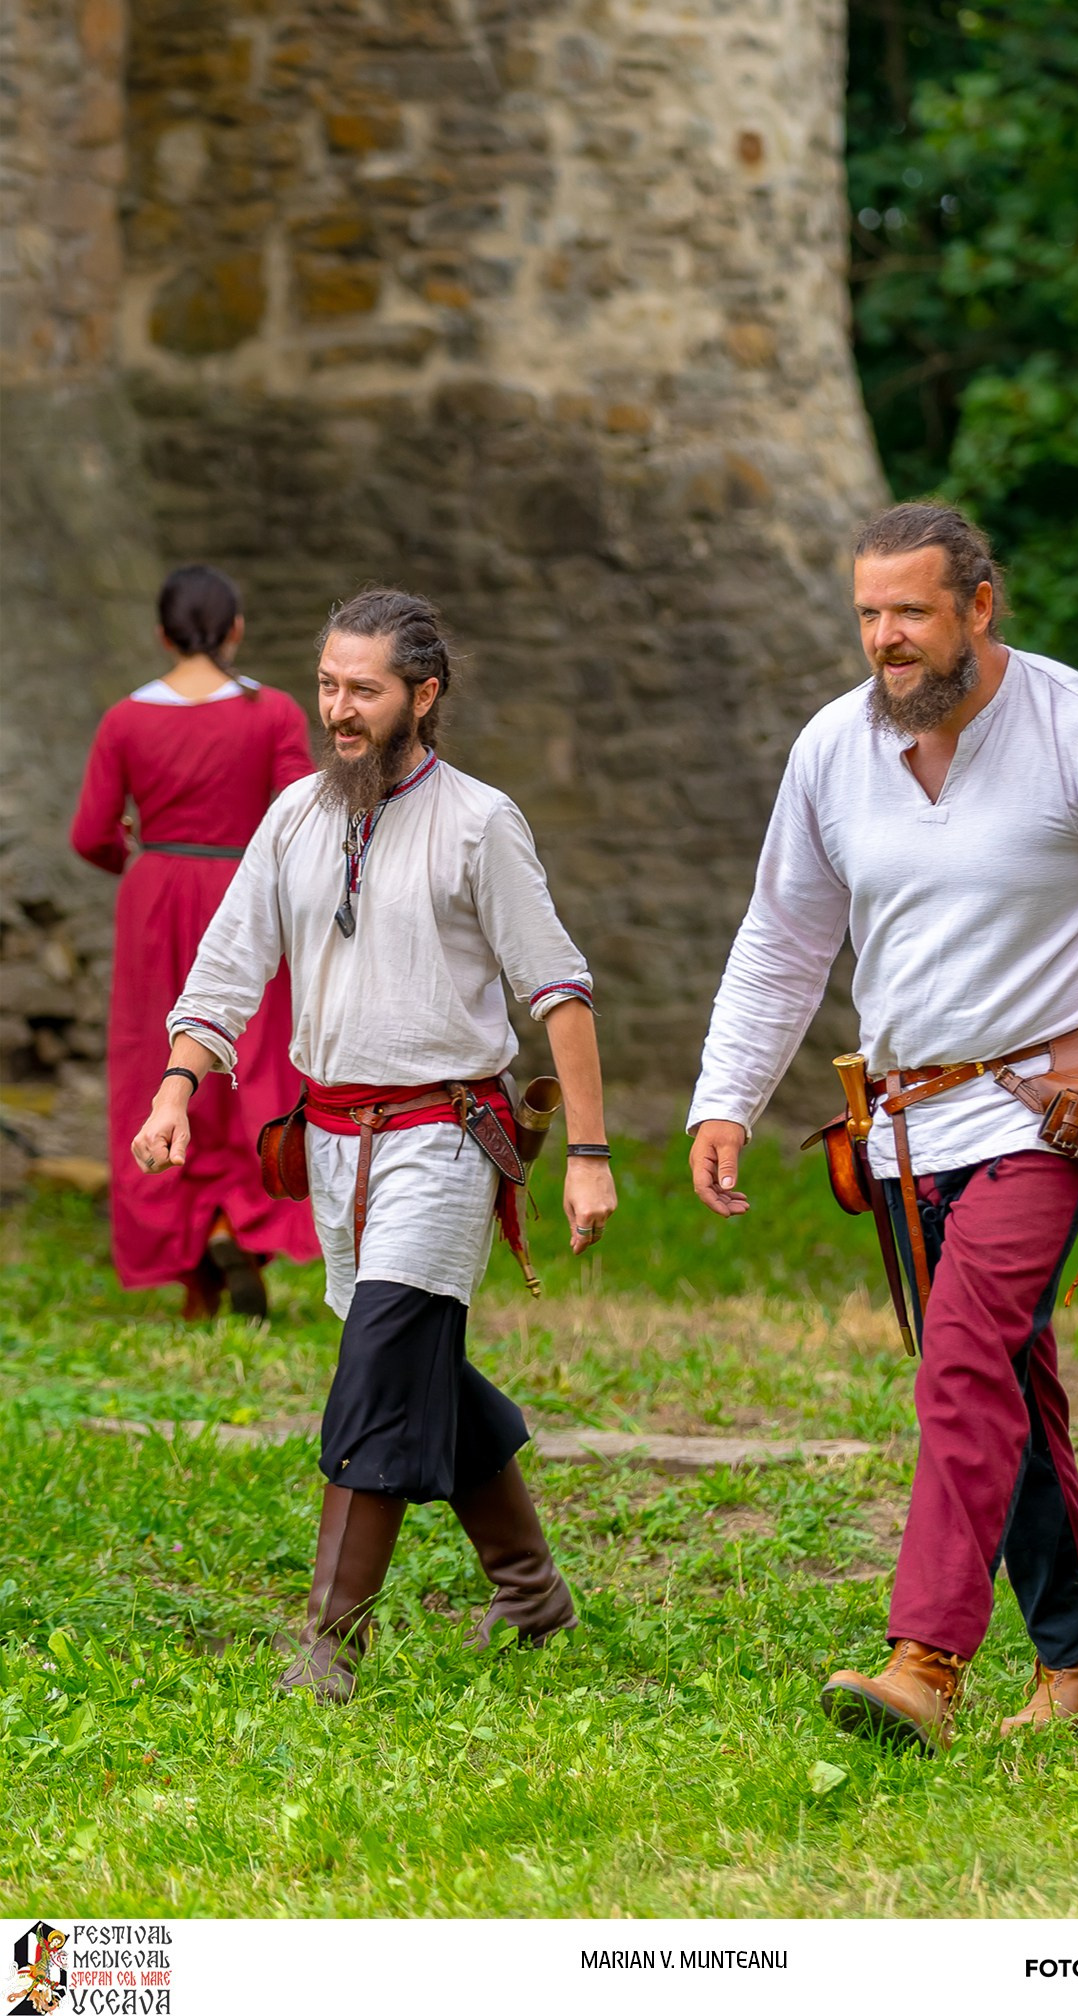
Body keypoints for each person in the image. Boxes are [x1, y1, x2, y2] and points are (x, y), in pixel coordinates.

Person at [687, 501, 1078, 1751]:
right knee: (1000, 1380)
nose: (885, 638)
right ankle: (1074, 1666)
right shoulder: (832, 748)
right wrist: (724, 1094)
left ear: (978, 605)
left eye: (910, 611)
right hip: (905, 1127)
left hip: (1050, 1111)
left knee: (960, 1362)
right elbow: (783, 938)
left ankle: (926, 1661)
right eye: (868, 614)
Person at [129, 588, 617, 1703]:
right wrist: (175, 1089)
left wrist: (588, 1153)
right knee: (411, 1359)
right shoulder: (295, 816)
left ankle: (330, 1645)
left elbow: (560, 989)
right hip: (334, 1145)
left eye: (365, 689)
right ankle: (532, 1592)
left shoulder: (482, 821)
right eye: (327, 685)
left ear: (423, 695)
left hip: (444, 1135)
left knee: (377, 1371)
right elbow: (226, 968)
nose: (339, 710)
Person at [71, 563, 319, 1319]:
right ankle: (240, 1226)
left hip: (155, 899)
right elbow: (303, 814)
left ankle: (191, 1260)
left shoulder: (125, 720)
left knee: (159, 1060)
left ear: (162, 633)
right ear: (236, 629)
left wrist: (131, 848)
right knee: (253, 1058)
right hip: (246, 893)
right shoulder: (272, 712)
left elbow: (91, 834)